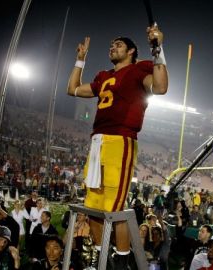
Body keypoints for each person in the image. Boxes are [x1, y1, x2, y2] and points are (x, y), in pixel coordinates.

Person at [66, 23, 168, 268]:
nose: (113, 47)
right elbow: (72, 90)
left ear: (132, 51)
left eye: (119, 45)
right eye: (111, 45)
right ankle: (105, 256)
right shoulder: (103, 76)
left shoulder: (138, 69)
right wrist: (80, 60)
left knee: (115, 207)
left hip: (120, 141)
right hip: (98, 140)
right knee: (93, 206)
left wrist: (158, 48)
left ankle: (122, 260)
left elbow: (161, 87)